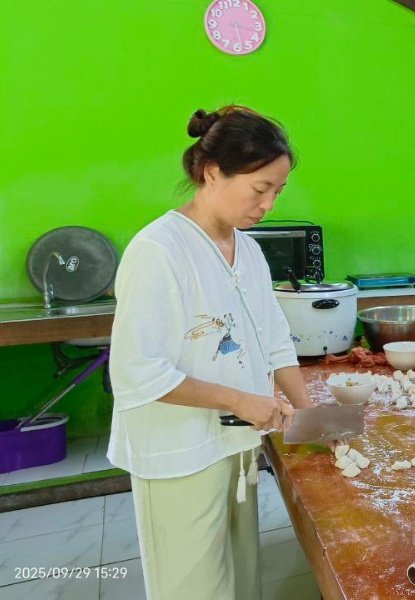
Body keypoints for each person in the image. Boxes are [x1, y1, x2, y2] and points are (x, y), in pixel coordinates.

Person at [107, 106, 313, 599]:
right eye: (260, 188)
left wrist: (310, 414)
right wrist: (241, 400)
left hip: (236, 445)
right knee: (194, 589)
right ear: (212, 171)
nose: (269, 204)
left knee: (240, 582)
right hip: (177, 453)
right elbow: (138, 373)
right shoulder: (159, 250)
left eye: (278, 191)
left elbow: (274, 338)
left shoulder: (249, 250)